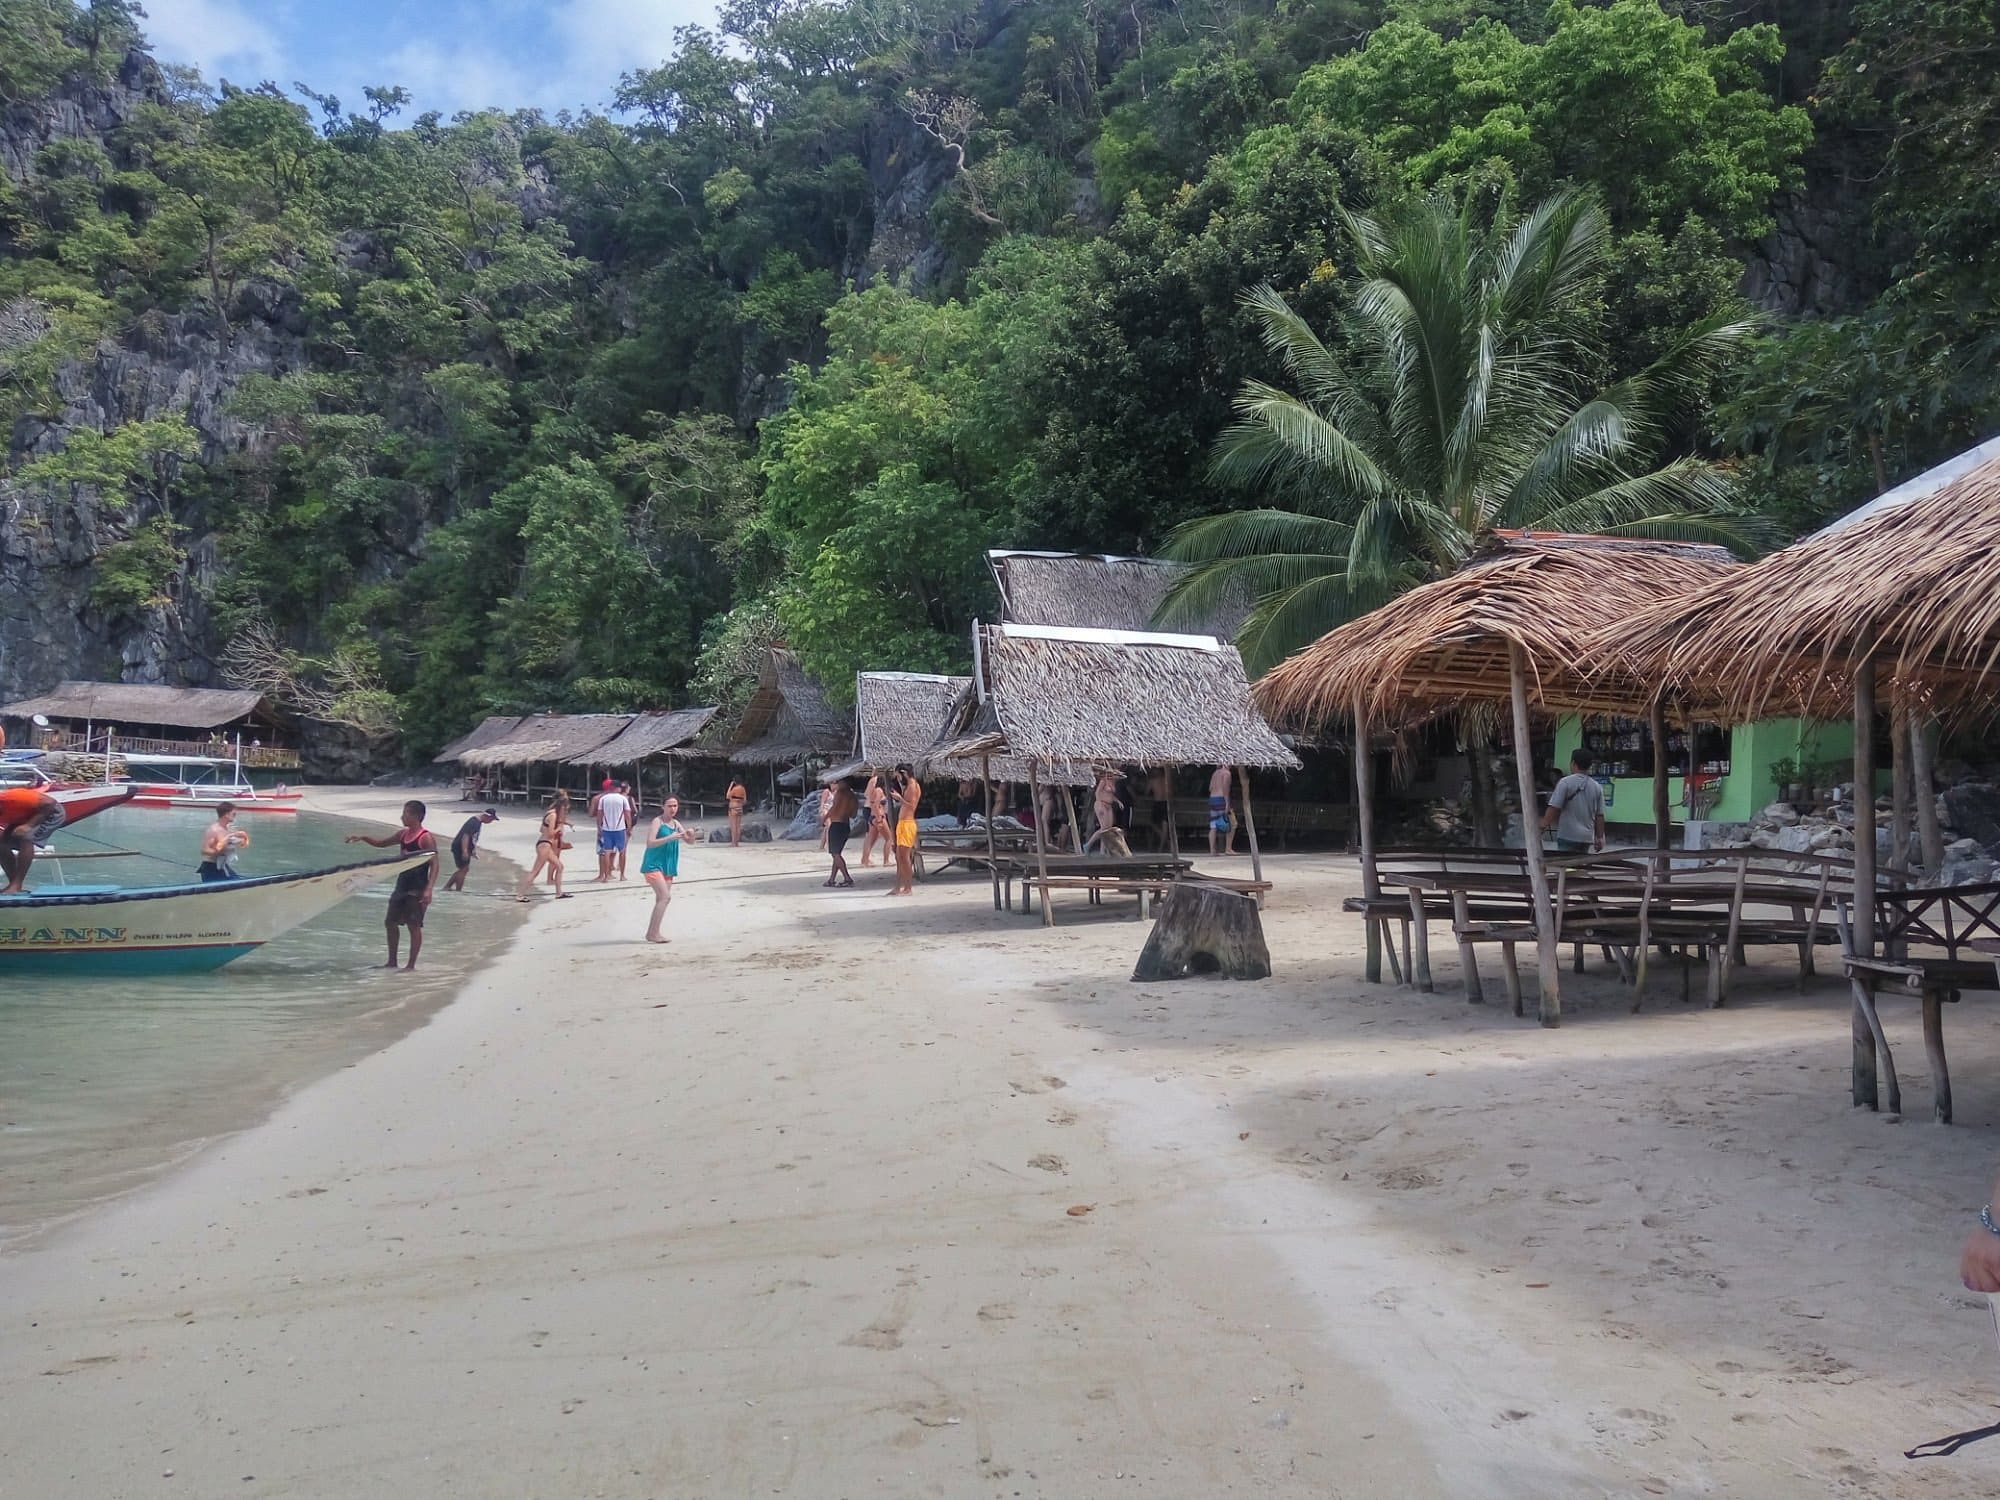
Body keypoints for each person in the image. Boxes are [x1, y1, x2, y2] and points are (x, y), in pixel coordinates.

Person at [344, 800, 439, 970]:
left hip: (417, 887)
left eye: (405, 813)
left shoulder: (425, 838)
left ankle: (410, 965)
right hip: (402, 884)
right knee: (390, 922)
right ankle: (392, 962)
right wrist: (363, 838)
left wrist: (429, 889)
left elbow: (435, 864)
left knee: (414, 926)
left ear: (416, 816)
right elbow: (381, 844)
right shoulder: (403, 834)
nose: (402, 816)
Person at [640, 797, 687, 943]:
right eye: (669, 806)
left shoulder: (676, 823)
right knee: (665, 897)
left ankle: (654, 931)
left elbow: (688, 840)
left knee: (661, 899)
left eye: (675, 805)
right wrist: (669, 838)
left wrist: (691, 834)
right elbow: (650, 843)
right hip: (653, 864)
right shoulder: (657, 821)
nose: (673, 809)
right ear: (663, 807)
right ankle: (652, 933)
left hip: (668, 866)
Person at [0, 786, 63, 894]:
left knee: (26, 837)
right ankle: (13, 884)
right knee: (1, 843)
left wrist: (29, 825)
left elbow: (50, 803)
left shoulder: (13, 797)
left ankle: (17, 885)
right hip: (23, 816)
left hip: (49, 813)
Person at [1542, 750, 1607, 853]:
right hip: (1586, 837)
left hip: (1568, 835)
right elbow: (1600, 815)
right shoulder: (1597, 786)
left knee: (1567, 866)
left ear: (1573, 763)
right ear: (1590, 765)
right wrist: (1600, 837)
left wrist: (1542, 826)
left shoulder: (1565, 782)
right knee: (1579, 866)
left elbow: (1554, 808)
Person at [515, 793, 572, 901]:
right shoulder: (553, 815)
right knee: (535, 871)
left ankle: (559, 893)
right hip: (544, 844)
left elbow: (542, 829)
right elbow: (550, 833)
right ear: (562, 806)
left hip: (544, 843)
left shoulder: (549, 813)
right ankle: (520, 895)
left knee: (559, 866)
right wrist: (558, 828)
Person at [445, 807, 499, 892]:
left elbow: (472, 838)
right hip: (460, 847)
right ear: (486, 816)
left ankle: (448, 887)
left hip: (461, 846)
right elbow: (465, 836)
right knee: (463, 869)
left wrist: (472, 851)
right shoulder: (474, 822)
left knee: (463, 869)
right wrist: (465, 851)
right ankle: (458, 891)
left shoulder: (477, 821)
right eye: (491, 819)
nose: (491, 822)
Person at [197, 802, 249, 881]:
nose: (235, 816)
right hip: (211, 867)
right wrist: (219, 851)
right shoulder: (213, 830)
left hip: (223, 865)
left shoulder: (227, 829)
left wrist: (241, 841)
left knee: (240, 883)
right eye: (234, 814)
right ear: (226, 814)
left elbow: (232, 842)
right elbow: (204, 851)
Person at [890, 764, 921, 896]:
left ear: (904, 773)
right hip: (902, 823)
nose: (898, 779)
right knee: (898, 857)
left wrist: (900, 799)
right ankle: (898, 887)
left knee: (904, 856)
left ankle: (908, 888)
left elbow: (912, 806)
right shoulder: (908, 785)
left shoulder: (913, 786)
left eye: (898, 775)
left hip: (908, 823)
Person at [595, 780, 634, 883]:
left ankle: (606, 876)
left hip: (607, 829)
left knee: (607, 852)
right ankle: (622, 875)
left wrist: (599, 828)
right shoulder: (622, 799)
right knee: (622, 852)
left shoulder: (603, 799)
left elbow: (599, 815)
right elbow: (628, 815)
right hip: (620, 829)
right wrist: (629, 828)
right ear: (618, 788)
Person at [824, 779, 858, 887]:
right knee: (837, 854)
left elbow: (834, 807)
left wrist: (825, 817)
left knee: (835, 854)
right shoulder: (852, 796)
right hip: (845, 825)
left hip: (836, 824)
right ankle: (831, 879)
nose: (836, 784)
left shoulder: (840, 793)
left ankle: (847, 878)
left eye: (838, 782)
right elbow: (853, 814)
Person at [860, 773, 889, 867]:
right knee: (889, 838)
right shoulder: (879, 790)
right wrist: (879, 819)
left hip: (872, 816)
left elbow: (870, 799)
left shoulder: (872, 790)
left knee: (871, 839)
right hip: (878, 815)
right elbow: (876, 805)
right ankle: (886, 861)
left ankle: (865, 860)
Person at [1208, 765, 1237, 856]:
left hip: (1212, 798)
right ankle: (1228, 848)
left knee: (1213, 826)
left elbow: (1210, 788)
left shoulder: (1215, 773)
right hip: (1221, 799)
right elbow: (1225, 789)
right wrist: (1227, 803)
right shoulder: (1227, 773)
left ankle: (1212, 850)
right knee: (1232, 823)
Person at [726, 776, 749, 847]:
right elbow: (745, 800)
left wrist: (730, 786)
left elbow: (727, 796)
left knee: (733, 826)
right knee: (738, 826)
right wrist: (739, 801)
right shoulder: (743, 789)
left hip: (733, 808)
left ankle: (733, 843)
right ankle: (737, 843)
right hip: (739, 808)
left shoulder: (734, 789)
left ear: (735, 781)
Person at [817, 783, 834, 851]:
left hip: (831, 811)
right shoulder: (826, 791)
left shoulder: (835, 792)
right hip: (825, 810)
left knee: (826, 828)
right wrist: (822, 811)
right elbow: (822, 802)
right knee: (829, 827)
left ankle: (822, 846)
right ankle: (829, 846)